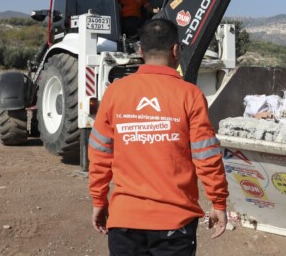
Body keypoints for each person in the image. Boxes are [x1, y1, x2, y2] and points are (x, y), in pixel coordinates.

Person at [88, 18, 229, 255]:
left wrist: (99, 200)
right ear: (175, 50)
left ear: (140, 51)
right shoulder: (190, 95)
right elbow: (206, 156)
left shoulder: (115, 92)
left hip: (124, 220)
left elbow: (99, 153)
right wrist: (218, 201)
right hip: (175, 223)